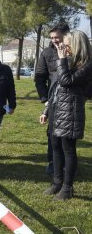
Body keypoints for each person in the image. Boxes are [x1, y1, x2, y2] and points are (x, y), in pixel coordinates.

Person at [40, 30, 92, 200]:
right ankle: (57, 183)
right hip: (56, 110)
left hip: (70, 111)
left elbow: (66, 81)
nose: (62, 46)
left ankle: (67, 188)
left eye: (67, 43)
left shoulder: (86, 64)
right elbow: (55, 88)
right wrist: (47, 110)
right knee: (55, 146)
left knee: (68, 150)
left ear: (76, 45)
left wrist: (62, 60)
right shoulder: (66, 61)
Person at [35, 23, 70, 176]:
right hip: (54, 100)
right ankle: (53, 162)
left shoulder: (75, 50)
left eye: (57, 37)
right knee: (53, 134)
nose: (54, 40)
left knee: (68, 135)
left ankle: (68, 165)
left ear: (66, 35)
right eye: (52, 38)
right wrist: (45, 99)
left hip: (70, 100)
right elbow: (40, 77)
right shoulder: (47, 53)